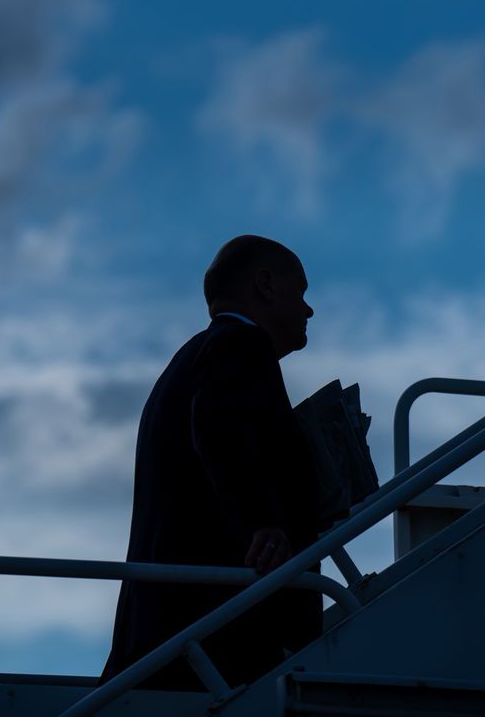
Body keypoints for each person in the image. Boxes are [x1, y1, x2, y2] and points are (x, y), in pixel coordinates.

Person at [101, 235, 321, 691]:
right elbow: (219, 431)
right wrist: (264, 522)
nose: (308, 310)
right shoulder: (239, 346)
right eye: (300, 292)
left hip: (167, 628)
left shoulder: (194, 356)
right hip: (212, 634)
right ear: (266, 284)